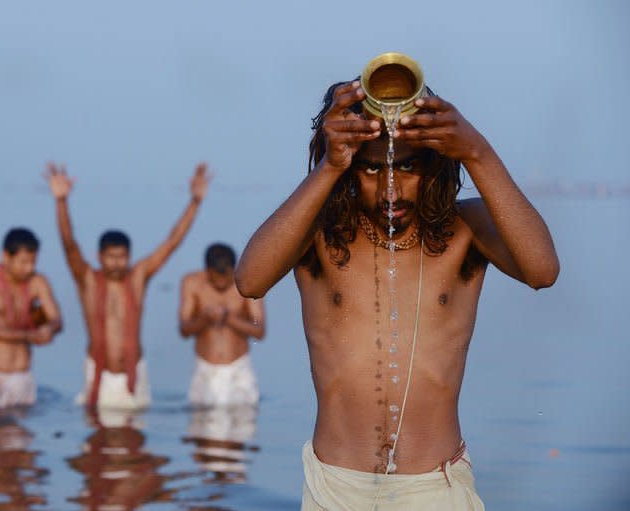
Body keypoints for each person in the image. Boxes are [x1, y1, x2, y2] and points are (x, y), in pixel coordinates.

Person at [235, 80, 559, 509]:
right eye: (371, 170)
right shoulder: (319, 234)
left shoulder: (466, 230)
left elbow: (543, 270)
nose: (391, 190)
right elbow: (250, 280)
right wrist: (329, 166)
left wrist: (477, 151)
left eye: (408, 168)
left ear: (437, 164)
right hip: (336, 487)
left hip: (434, 486)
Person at [45, 161, 211, 410]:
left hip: (135, 372)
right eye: (111, 257)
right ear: (99, 256)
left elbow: (172, 242)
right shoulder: (88, 279)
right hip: (99, 374)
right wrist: (61, 202)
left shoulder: (137, 277)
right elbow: (69, 245)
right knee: (95, 442)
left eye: (122, 256)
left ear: (129, 256)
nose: (117, 263)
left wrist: (195, 202)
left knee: (136, 442)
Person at [0, 228, 62, 409]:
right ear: (5, 257)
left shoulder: (37, 282)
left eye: (33, 262)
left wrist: (48, 329)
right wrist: (29, 336)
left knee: (23, 435)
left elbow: (56, 319)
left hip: (23, 377)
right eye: (23, 262)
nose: (29, 268)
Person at [179, 243, 265, 407]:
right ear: (207, 271)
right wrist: (205, 319)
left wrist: (228, 318)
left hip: (239, 370)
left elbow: (259, 330)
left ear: (233, 269)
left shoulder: (249, 283)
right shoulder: (192, 283)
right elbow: (184, 329)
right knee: (201, 430)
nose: (221, 283)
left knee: (244, 428)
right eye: (215, 278)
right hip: (204, 370)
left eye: (225, 277)